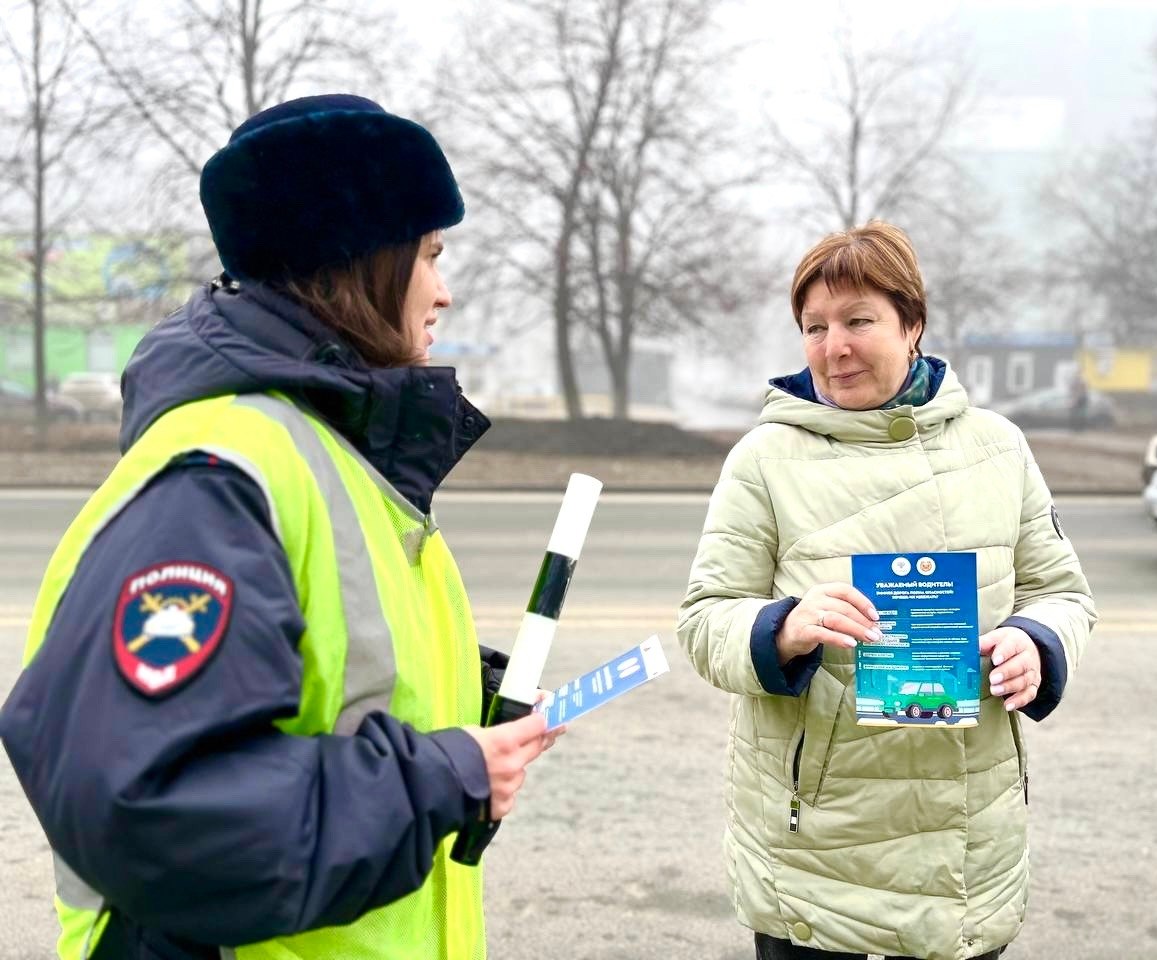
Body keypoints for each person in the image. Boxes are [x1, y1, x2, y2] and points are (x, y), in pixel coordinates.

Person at [0, 94, 557, 960]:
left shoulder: (331, 454)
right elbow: (157, 808)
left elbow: (327, 682)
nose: (444, 291)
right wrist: (442, 774)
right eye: (430, 255)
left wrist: (471, 713)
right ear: (360, 261)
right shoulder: (224, 469)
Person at [677, 222, 1097, 960]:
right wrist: (783, 628)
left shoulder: (998, 448)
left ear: (913, 324)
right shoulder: (764, 460)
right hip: (813, 848)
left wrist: (1038, 642)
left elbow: (1062, 592)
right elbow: (705, 618)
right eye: (814, 327)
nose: (833, 346)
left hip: (963, 844)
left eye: (858, 320)